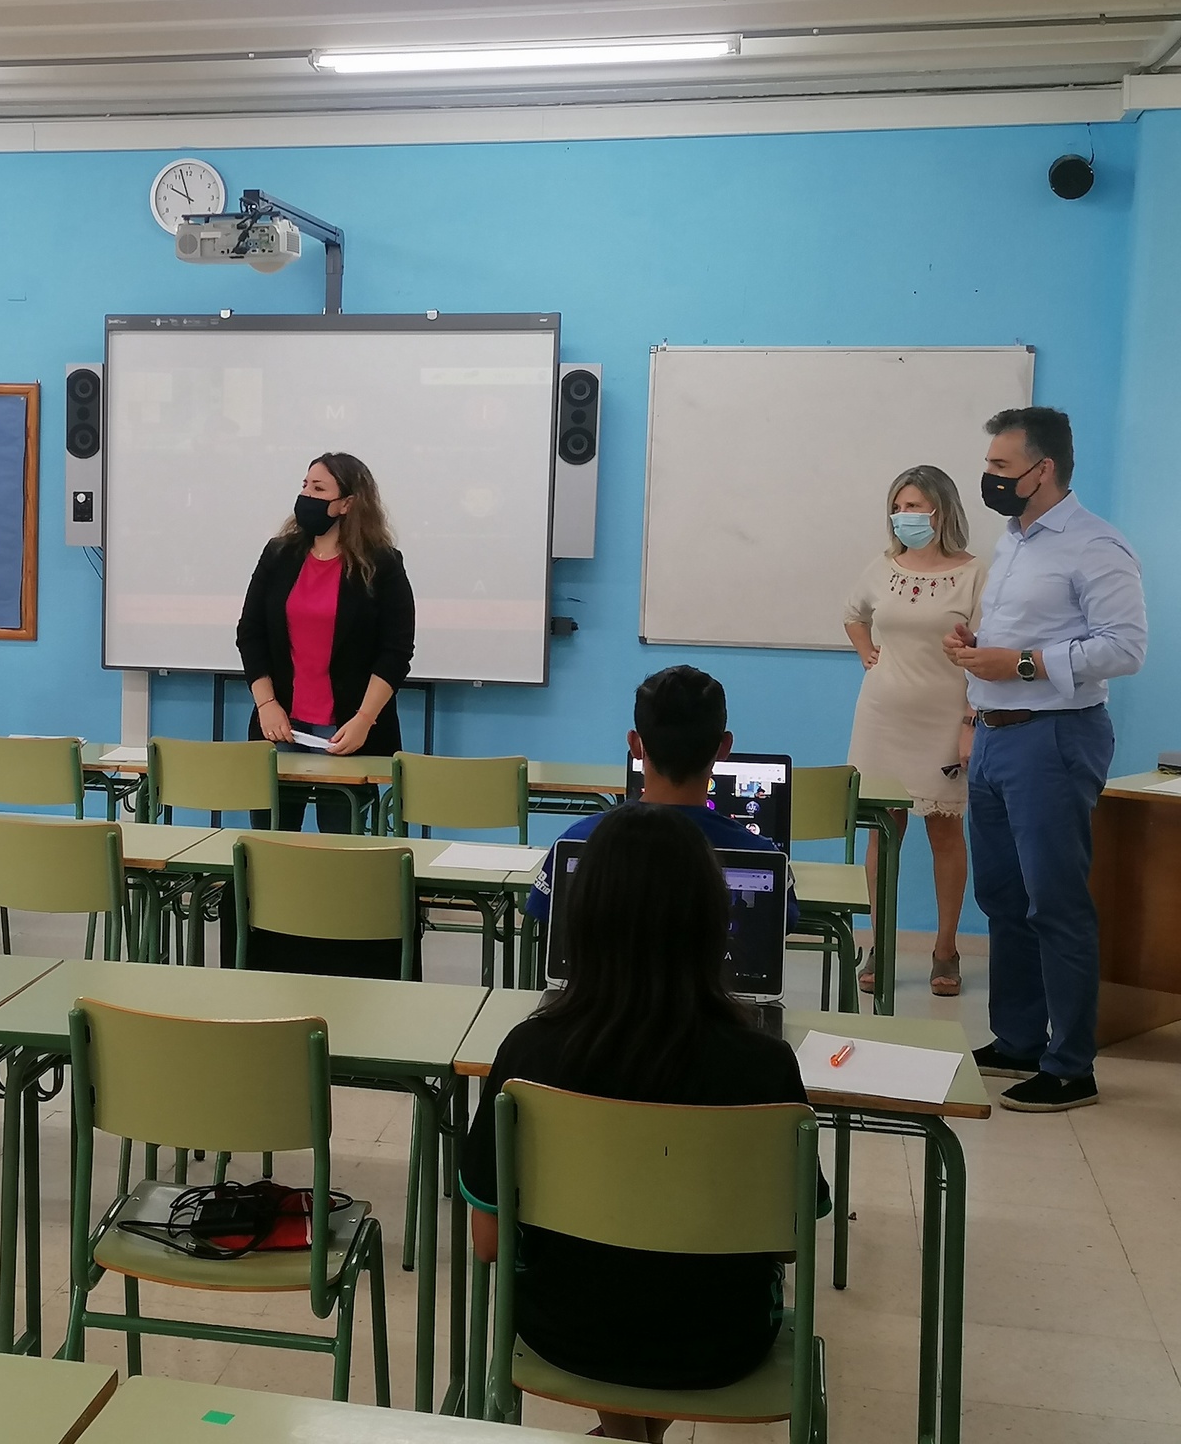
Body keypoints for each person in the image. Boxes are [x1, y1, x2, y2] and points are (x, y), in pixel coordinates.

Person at [462, 805, 826, 1441]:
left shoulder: (529, 1053)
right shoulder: (765, 1067)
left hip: (565, 1334)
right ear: (713, 920)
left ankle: (627, 1433)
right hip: (721, 1343)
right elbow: (790, 1241)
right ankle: (638, 1434)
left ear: (582, 920)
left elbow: (490, 1242)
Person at [947, 406, 1146, 1113]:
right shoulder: (1015, 541)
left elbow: (1125, 647)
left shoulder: (1095, 545)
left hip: (1055, 737)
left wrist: (1020, 661)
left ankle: (1071, 1064)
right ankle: (1020, 1038)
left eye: (1001, 467)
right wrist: (980, 650)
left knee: (1055, 901)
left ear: (1044, 470)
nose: (989, 478)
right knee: (1001, 896)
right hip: (998, 735)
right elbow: (1022, 638)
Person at [842, 465, 985, 999]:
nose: (905, 517)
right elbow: (853, 615)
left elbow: (984, 651)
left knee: (945, 831)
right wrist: (867, 654)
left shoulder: (975, 574)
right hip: (881, 717)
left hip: (947, 718)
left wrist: (971, 720)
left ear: (942, 510)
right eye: (898, 506)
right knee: (885, 830)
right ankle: (879, 943)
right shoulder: (882, 568)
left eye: (915, 506)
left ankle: (946, 949)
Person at [525, 665, 796, 931]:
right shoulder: (762, 856)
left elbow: (546, 917)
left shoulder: (579, 840)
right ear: (725, 747)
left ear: (635, 745)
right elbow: (780, 927)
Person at [235, 452, 416, 831]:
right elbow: (250, 633)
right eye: (304, 486)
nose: (306, 496)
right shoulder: (278, 554)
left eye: (319, 488)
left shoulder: (381, 564)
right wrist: (266, 703)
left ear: (347, 503)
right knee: (272, 843)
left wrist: (365, 719)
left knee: (339, 846)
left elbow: (396, 651)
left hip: (348, 732)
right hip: (280, 726)